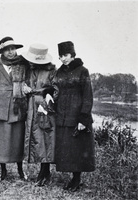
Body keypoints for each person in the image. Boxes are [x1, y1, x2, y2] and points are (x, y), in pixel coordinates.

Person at [55, 41, 95, 192]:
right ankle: (73, 178)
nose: (63, 59)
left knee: (78, 149)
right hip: (63, 117)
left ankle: (77, 179)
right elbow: (54, 89)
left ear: (72, 54)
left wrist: (84, 118)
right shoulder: (59, 72)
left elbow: (88, 96)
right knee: (68, 149)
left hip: (77, 116)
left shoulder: (83, 71)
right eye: (60, 56)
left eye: (65, 55)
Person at [0, 36, 28, 181]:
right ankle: (3, 171)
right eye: (7, 50)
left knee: (17, 139)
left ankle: (20, 170)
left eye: (12, 49)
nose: (10, 52)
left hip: (18, 106)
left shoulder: (23, 65)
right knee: (0, 141)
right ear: (2, 52)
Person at [21, 43, 58, 186]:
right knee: (36, 138)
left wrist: (46, 94)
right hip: (31, 105)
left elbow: (56, 89)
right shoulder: (30, 70)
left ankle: (45, 171)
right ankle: (43, 172)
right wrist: (25, 88)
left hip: (44, 106)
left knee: (46, 137)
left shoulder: (52, 71)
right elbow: (24, 84)